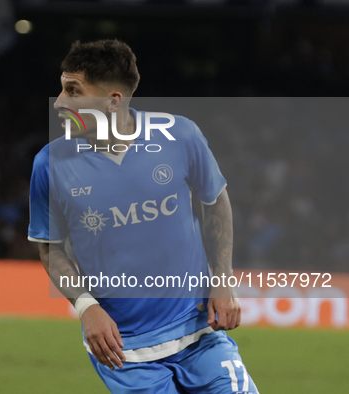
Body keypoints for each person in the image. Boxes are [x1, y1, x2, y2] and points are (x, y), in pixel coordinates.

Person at [28, 39, 259, 393]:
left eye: (73, 92)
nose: (59, 103)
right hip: (123, 350)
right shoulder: (50, 163)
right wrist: (86, 307)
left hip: (200, 331)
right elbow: (50, 246)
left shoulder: (180, 135)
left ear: (113, 100)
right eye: (61, 89)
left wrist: (223, 277)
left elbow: (216, 201)